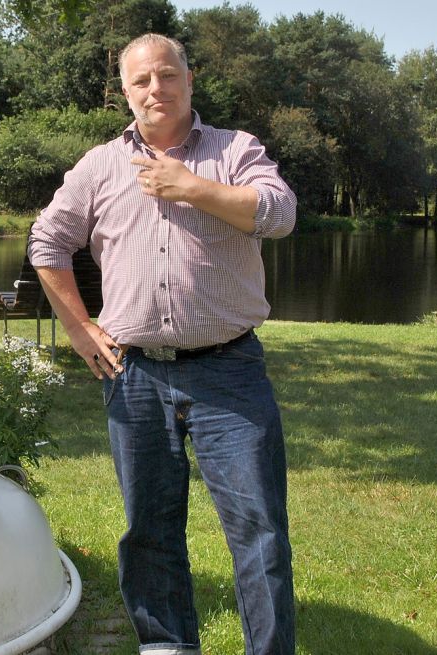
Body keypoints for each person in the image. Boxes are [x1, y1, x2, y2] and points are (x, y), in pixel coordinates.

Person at [28, 33, 296, 655]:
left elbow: (280, 214)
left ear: (189, 79)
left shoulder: (234, 150)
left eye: (167, 75)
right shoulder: (99, 166)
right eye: (142, 80)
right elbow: (47, 242)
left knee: (259, 530)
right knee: (149, 530)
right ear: (125, 91)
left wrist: (194, 187)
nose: (156, 89)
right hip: (135, 375)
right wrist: (77, 325)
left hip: (229, 371)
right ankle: (168, 646)